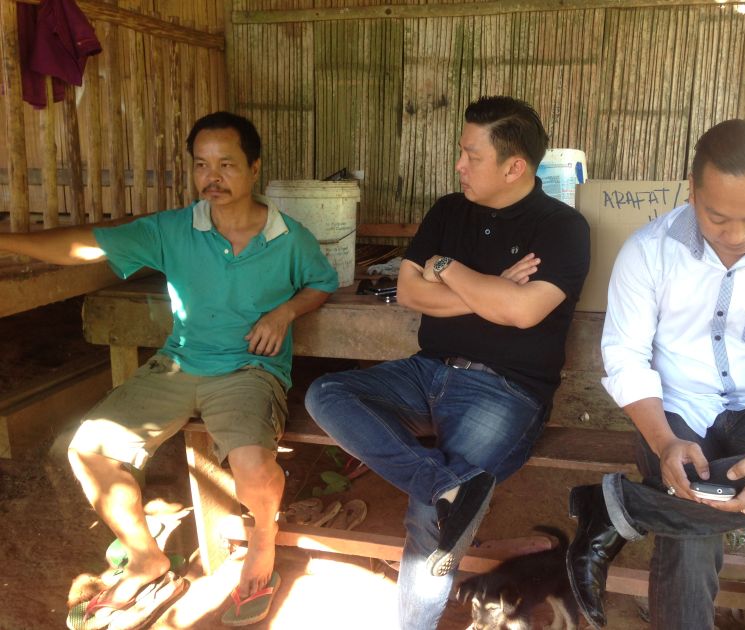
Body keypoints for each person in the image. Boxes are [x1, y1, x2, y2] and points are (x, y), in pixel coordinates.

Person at [0, 111, 339, 629]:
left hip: (250, 370)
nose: (213, 177)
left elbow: (322, 282)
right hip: (177, 365)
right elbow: (83, 244)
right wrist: (7, 241)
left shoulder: (291, 238)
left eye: (227, 164)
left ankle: (263, 547)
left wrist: (285, 311)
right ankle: (146, 558)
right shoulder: (172, 229)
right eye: (202, 165)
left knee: (253, 468)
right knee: (88, 449)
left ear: (254, 168)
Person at [305, 95, 590, 629]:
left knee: (426, 522)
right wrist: (491, 290)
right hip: (427, 370)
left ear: (515, 166)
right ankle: (447, 486)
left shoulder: (562, 227)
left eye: (471, 155)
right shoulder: (448, 210)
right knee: (326, 394)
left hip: (506, 393)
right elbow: (411, 292)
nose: (459, 165)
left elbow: (523, 312)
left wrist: (447, 267)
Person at [566, 117, 745, 630]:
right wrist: (665, 441)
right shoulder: (648, 250)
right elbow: (626, 357)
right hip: (675, 411)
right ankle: (648, 507)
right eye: (717, 217)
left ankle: (619, 510)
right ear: (692, 191)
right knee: (691, 519)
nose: (736, 236)